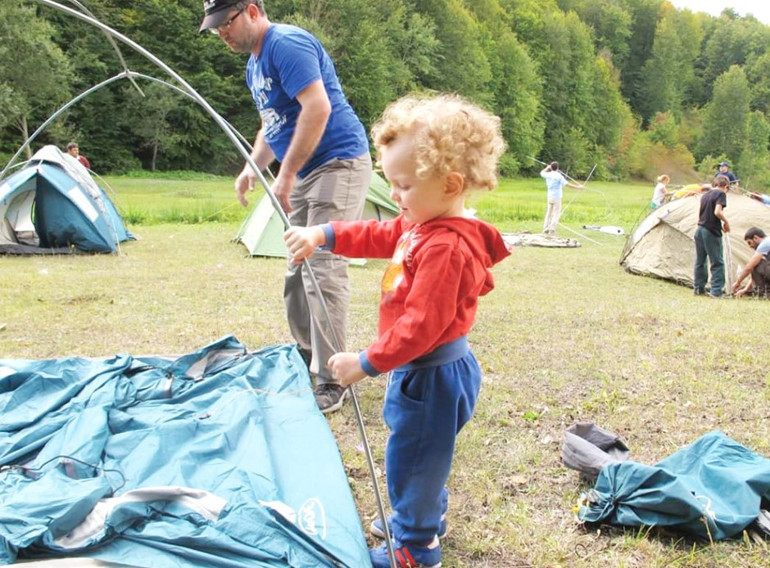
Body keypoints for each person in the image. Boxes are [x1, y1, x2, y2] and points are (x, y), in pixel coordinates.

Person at [284, 93, 510, 568]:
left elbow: (421, 327)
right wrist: (322, 234)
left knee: (414, 460)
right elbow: (378, 234)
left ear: (450, 185)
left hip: (431, 375)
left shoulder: (446, 247)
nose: (395, 197)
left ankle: (416, 547)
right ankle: (421, 516)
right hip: (423, 372)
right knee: (421, 454)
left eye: (403, 186)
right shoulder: (422, 225)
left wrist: (365, 362)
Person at [200, 0, 372, 413]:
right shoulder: (253, 65)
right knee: (297, 267)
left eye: (226, 22)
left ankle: (332, 378)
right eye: (216, 27)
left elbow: (318, 107)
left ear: (252, 10)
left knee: (323, 268)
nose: (222, 33)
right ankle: (306, 352)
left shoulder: (286, 44)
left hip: (338, 161)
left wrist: (287, 173)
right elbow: (271, 123)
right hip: (307, 169)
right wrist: (252, 167)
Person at [694, 175, 731, 297]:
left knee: (700, 260)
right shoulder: (721, 194)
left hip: (700, 229)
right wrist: (726, 222)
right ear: (726, 187)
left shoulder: (705, 195)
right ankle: (716, 291)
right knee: (717, 261)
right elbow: (717, 212)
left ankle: (699, 288)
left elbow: (707, 214)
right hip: (711, 231)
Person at [540, 161, 583, 234]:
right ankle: (552, 229)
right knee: (556, 213)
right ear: (558, 167)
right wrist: (578, 187)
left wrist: (547, 168)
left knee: (549, 213)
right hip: (557, 197)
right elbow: (567, 184)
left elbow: (541, 172)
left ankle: (546, 228)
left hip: (550, 197)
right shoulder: (559, 176)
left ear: (551, 167)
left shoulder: (548, 174)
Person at [732, 227, 770, 298]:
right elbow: (754, 273)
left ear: (755, 238)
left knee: (757, 264)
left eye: (749, 243)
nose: (750, 246)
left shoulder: (764, 244)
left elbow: (749, 267)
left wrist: (738, 282)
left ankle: (763, 293)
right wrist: (745, 289)